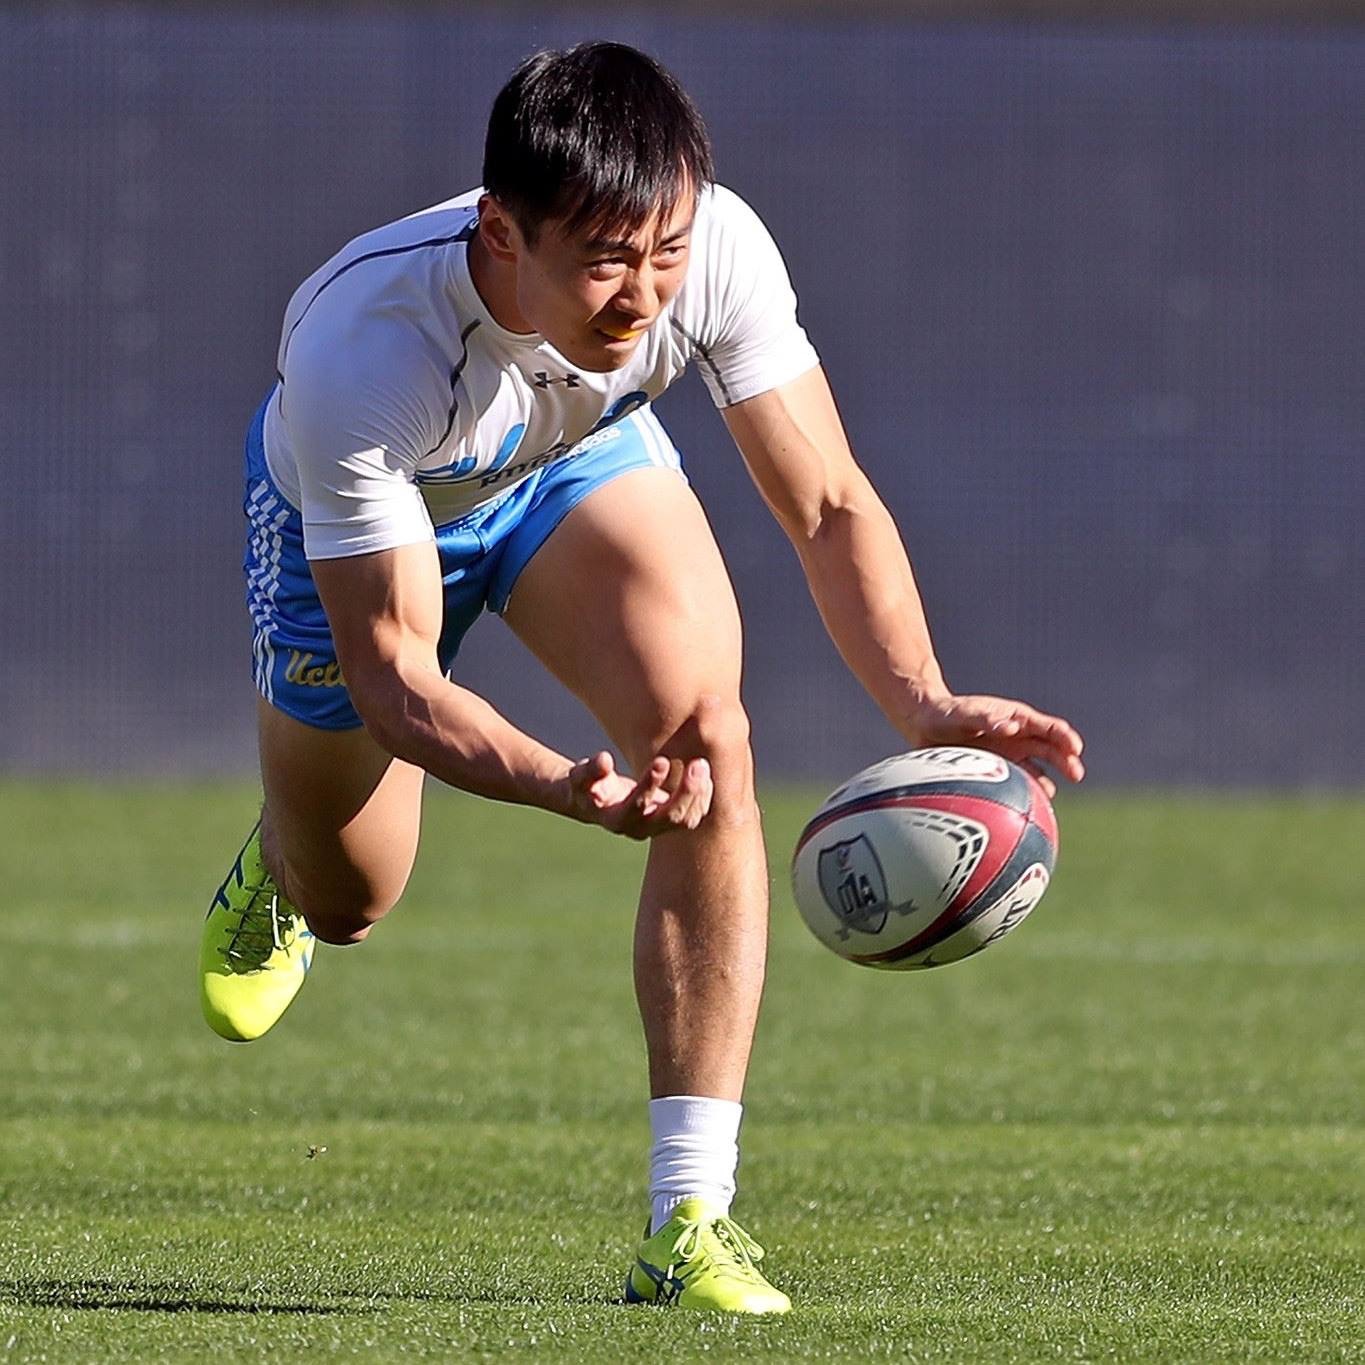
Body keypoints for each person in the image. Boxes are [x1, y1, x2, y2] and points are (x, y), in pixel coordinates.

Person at [200, 41, 1085, 1315]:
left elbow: (829, 503)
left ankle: (689, 1223)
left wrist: (925, 702)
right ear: (501, 233)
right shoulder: (363, 348)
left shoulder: (713, 247)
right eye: (607, 260)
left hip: (567, 471)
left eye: (664, 252)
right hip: (370, 531)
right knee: (352, 901)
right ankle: (284, 869)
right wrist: (558, 787)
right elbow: (394, 676)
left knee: (706, 743)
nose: (643, 294)